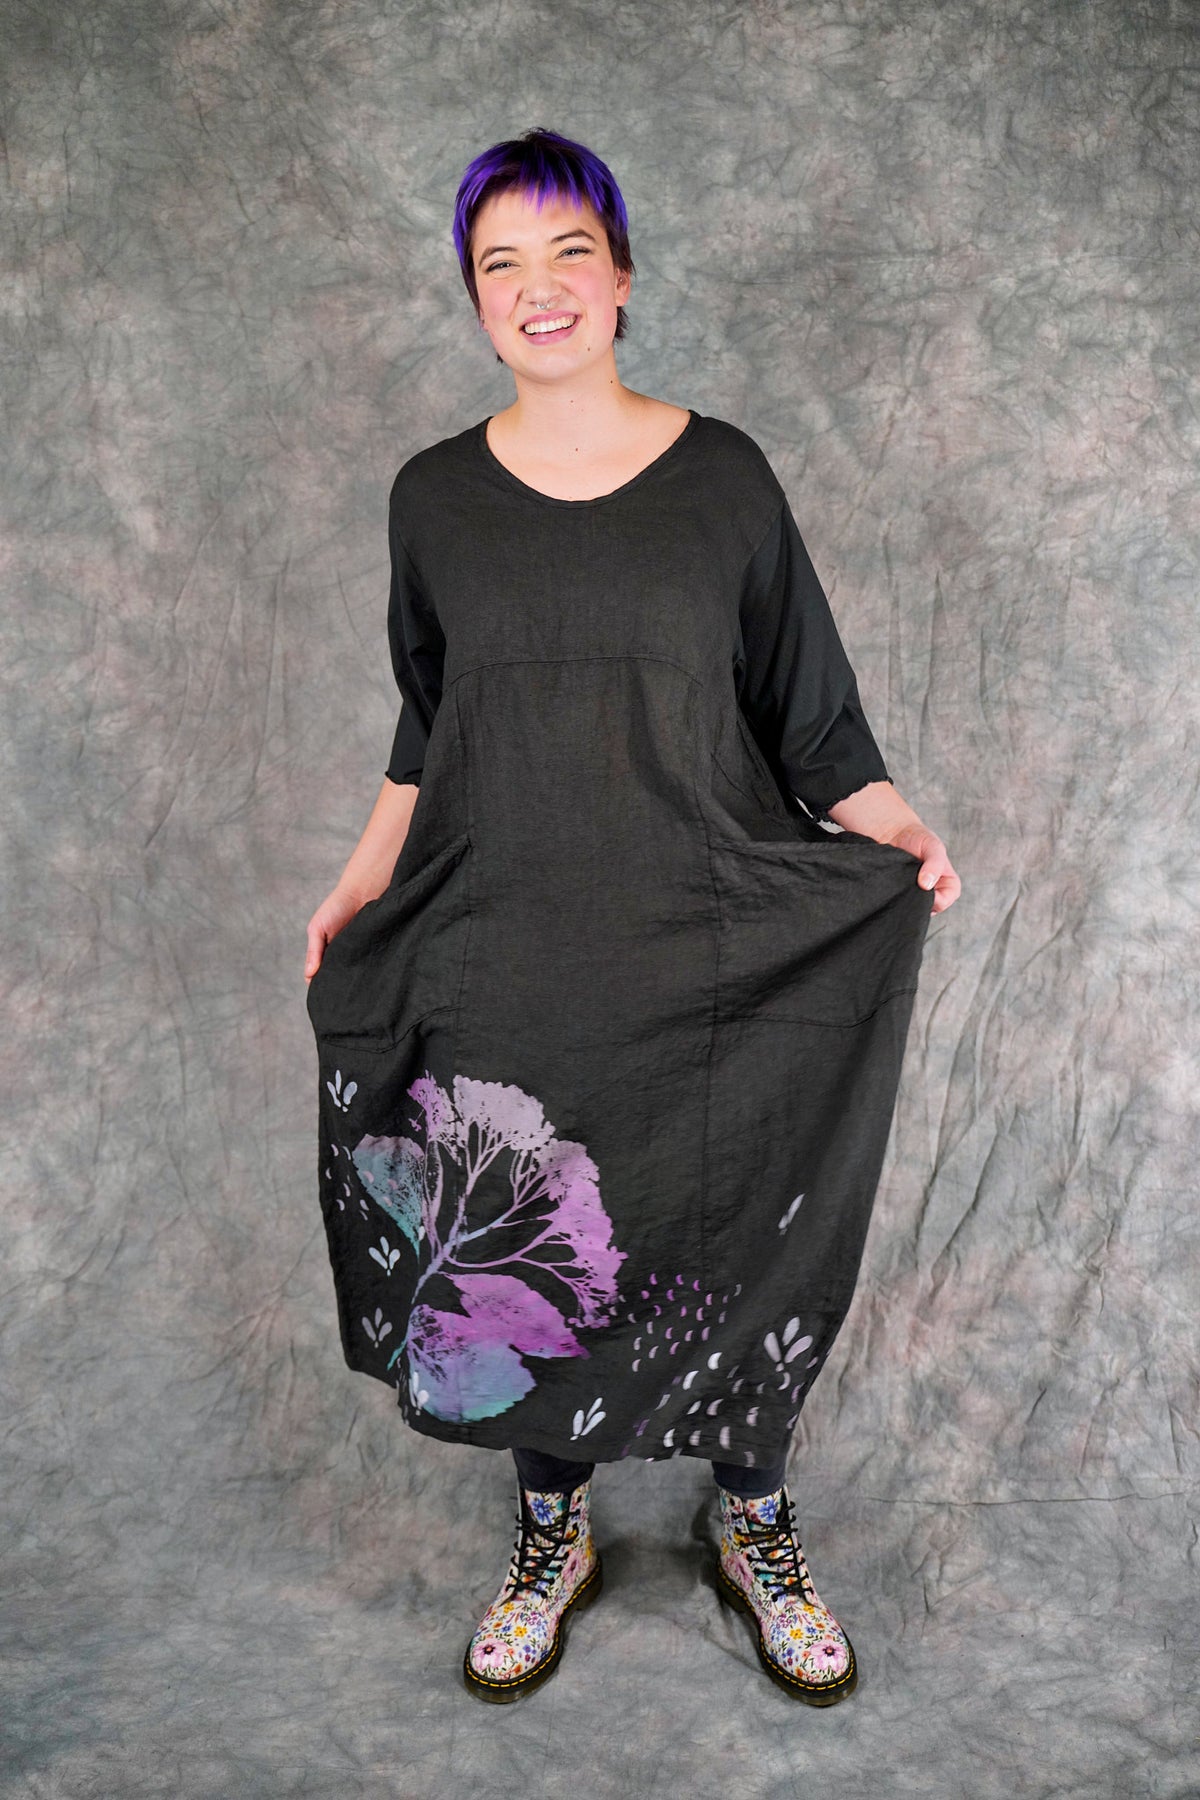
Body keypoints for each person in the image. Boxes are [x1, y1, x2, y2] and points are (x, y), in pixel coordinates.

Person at [304, 127, 960, 1709]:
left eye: (568, 253)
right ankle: (553, 1535)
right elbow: (431, 723)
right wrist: (360, 878)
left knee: (734, 1215)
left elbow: (811, 715)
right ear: (475, 298)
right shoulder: (433, 499)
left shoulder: (724, 477)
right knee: (526, 1236)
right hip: (505, 941)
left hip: (709, 947)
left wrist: (891, 827)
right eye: (501, 264)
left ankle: (753, 1521)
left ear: (621, 276)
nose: (538, 288)